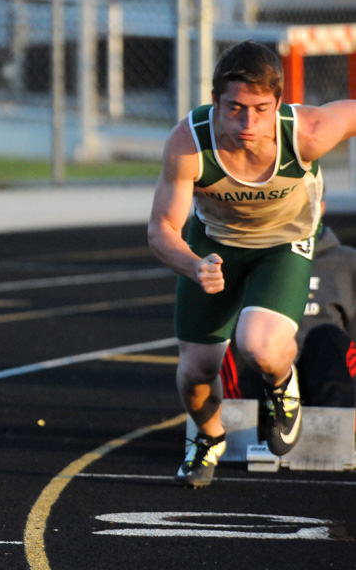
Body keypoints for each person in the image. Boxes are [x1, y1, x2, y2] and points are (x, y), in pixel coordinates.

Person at [147, 40, 356, 488]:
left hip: (284, 244)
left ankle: (282, 386)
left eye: (261, 110)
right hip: (215, 246)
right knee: (195, 371)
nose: (247, 123)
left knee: (259, 344)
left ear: (279, 103)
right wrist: (191, 265)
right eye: (236, 109)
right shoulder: (189, 142)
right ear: (215, 102)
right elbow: (162, 228)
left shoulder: (309, 132)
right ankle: (208, 437)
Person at [221, 207, 356, 411]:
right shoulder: (248, 259)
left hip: (327, 375)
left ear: (320, 206)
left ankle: (342, 427)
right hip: (267, 374)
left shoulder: (347, 262)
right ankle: (237, 423)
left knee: (326, 336)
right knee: (239, 333)